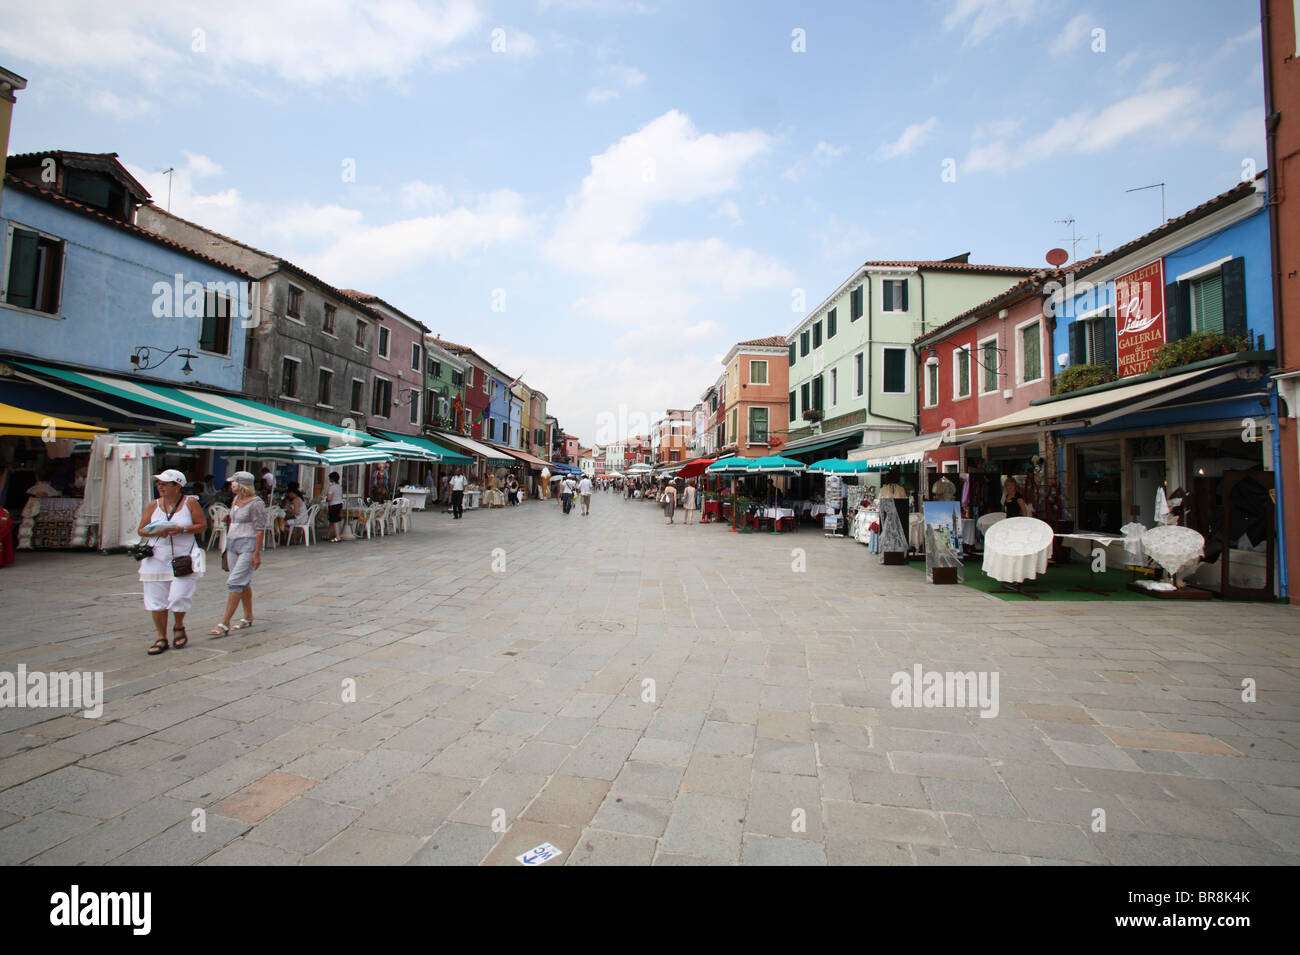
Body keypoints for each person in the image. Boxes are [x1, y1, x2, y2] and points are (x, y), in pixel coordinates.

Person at [136, 469, 207, 655]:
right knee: (156, 600)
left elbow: (202, 525)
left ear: (177, 486)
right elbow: (141, 529)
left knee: (178, 596)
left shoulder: (190, 503)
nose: (160, 487)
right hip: (157, 556)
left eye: (165, 484)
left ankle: (178, 624)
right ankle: (161, 637)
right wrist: (154, 532)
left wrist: (182, 529)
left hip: (183, 556)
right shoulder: (154, 505)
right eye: (159, 484)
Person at [208, 472, 264, 636]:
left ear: (240, 485)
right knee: (242, 583)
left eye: (233, 483)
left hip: (248, 544)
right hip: (232, 543)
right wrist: (229, 516)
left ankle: (224, 622)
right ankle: (248, 616)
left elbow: (260, 529)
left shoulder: (256, 503)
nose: (231, 486)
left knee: (235, 581)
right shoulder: (236, 500)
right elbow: (237, 518)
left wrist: (257, 554)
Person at [326, 471, 344, 542]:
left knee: (334, 520)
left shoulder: (332, 487)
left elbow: (329, 498)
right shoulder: (339, 486)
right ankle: (328, 535)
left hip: (333, 504)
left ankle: (337, 537)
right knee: (332, 520)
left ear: (332, 479)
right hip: (339, 503)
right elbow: (341, 496)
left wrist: (326, 499)